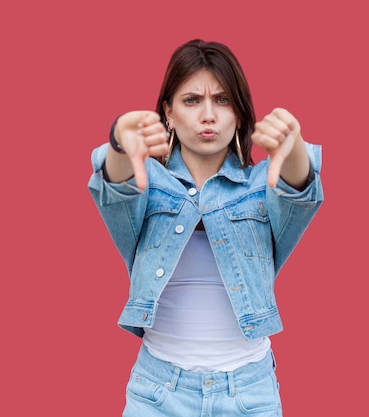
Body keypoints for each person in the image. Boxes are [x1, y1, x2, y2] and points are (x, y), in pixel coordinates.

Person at [88, 39, 324, 417]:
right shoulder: (150, 182)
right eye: (192, 100)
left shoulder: (261, 186)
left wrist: (294, 147)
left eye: (223, 100)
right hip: (158, 395)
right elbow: (117, 188)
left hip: (250, 395)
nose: (208, 115)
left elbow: (298, 190)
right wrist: (119, 143)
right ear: (169, 111)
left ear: (240, 115)